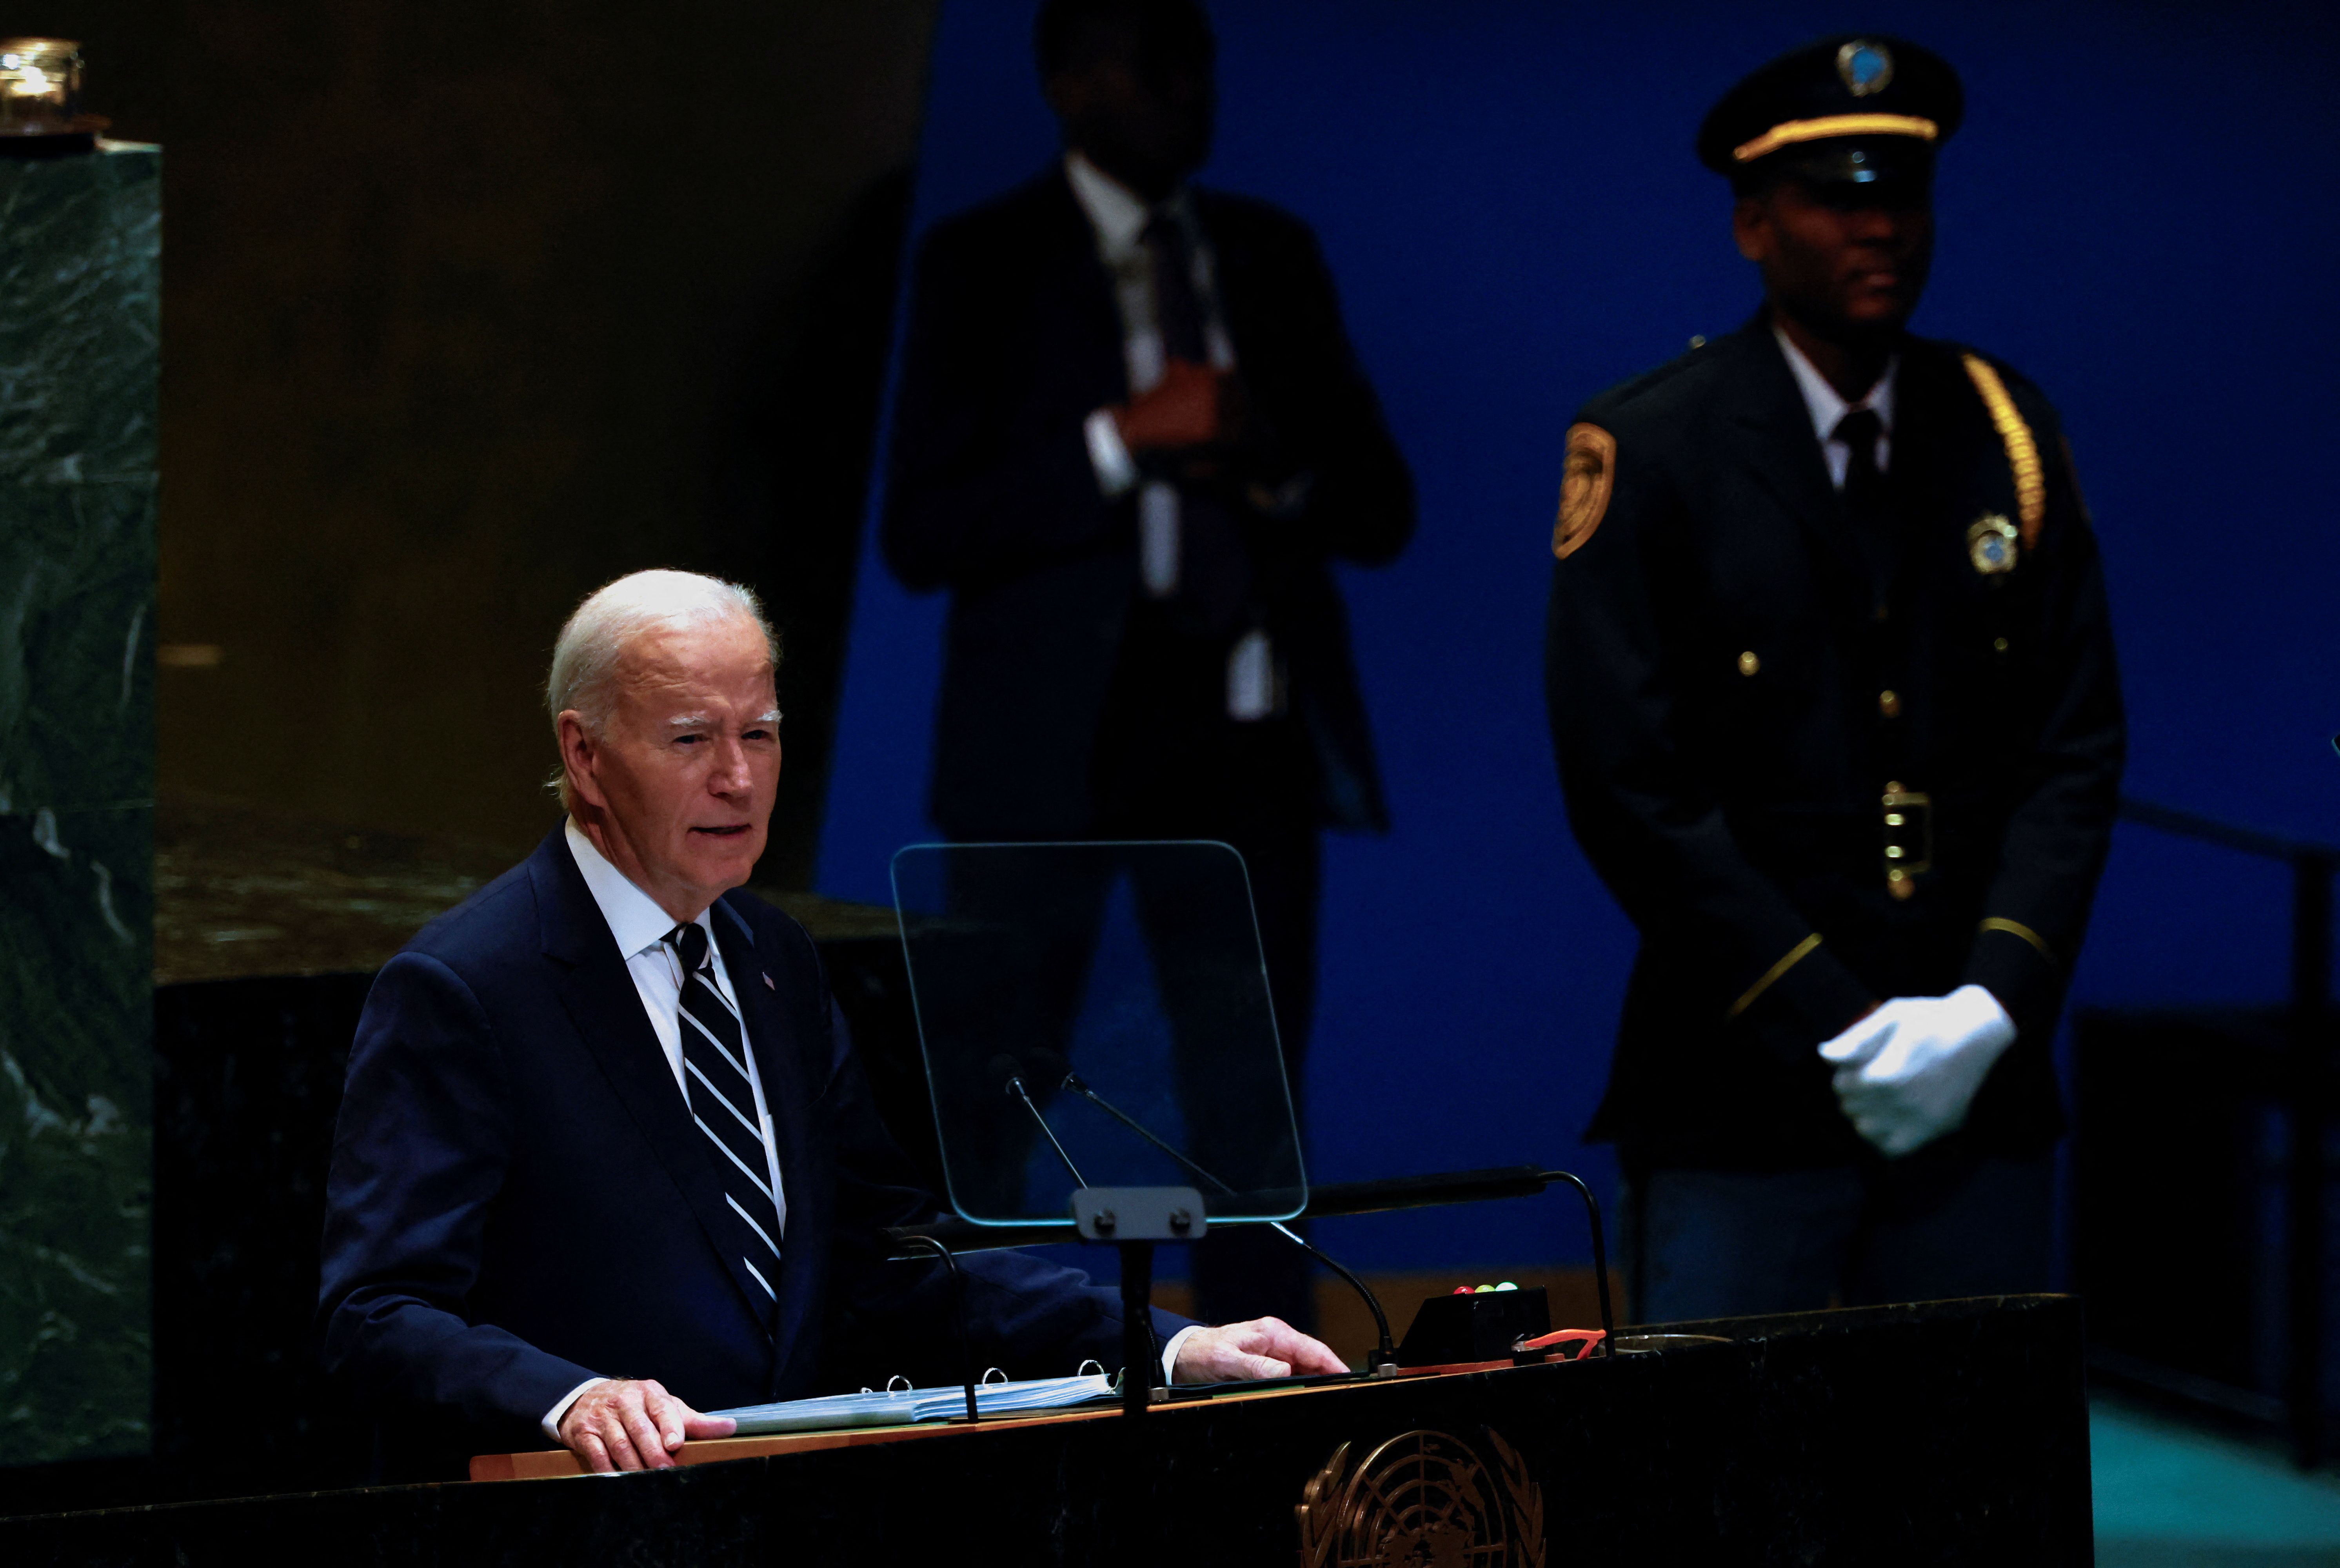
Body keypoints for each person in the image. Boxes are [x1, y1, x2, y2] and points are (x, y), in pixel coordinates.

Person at [317, 570, 1343, 1477]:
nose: (738, 777)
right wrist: (570, 1398)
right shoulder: (468, 988)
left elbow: (892, 1259)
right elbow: (377, 1316)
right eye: (691, 740)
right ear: (584, 757)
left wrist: (1162, 1347)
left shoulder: (775, 962)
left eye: (759, 733)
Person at [1545, 36, 2124, 1321]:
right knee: (1734, 1487)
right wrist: (1842, 1021)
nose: (1882, 229)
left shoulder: (2005, 429)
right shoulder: (1654, 444)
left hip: (1980, 1088)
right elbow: (1630, 787)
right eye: (1838, 197)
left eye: (1903, 196)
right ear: (1755, 224)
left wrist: (1988, 1004)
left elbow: (2073, 747)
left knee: (1977, 1490)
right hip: (1745, 1082)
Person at [881, 0, 1413, 1330]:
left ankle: (1258, 1380)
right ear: (1067, 76)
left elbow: (1382, 507)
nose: (1186, 82)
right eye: (1147, 52)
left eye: (1201, 52)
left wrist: (1262, 448)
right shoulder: (983, 261)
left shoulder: (1268, 256)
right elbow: (926, 528)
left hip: (1243, 743)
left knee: (1250, 1105)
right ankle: (982, 1377)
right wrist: (1122, 439)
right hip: (1048, 749)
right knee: (1000, 1088)